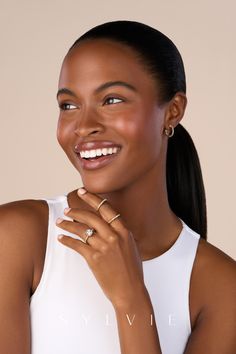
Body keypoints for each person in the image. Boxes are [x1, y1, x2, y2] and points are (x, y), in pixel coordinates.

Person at [0, 20, 235, 354]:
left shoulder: (222, 287)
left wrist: (131, 300)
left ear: (172, 112)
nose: (84, 127)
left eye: (111, 100)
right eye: (68, 105)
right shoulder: (16, 238)